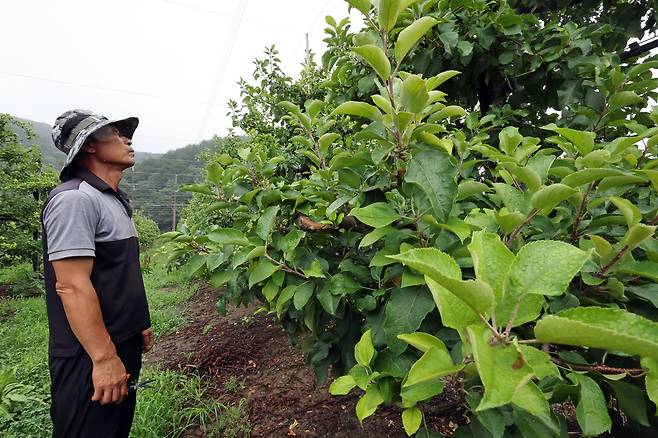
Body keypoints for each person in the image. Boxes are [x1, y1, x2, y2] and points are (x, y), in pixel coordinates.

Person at [41, 109, 153, 438]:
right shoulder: (74, 200)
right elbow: (72, 286)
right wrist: (103, 359)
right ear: (88, 145)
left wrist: (137, 324)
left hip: (120, 341)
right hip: (88, 355)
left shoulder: (112, 200)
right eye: (115, 134)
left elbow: (118, 272)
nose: (127, 139)